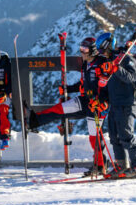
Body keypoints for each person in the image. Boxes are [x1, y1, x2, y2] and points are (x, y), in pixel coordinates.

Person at [28, 37, 110, 175]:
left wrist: (102, 101)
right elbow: (83, 84)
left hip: (98, 105)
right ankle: (33, 120)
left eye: (85, 49)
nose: (81, 52)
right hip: (85, 100)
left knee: (93, 136)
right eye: (81, 48)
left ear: (93, 50)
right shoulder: (85, 65)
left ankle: (100, 165)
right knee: (60, 109)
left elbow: (109, 86)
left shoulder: (102, 63)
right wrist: (69, 89)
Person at [95, 33, 136, 178]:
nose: (100, 52)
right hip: (114, 104)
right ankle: (121, 166)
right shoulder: (108, 62)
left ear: (108, 45)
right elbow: (105, 85)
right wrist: (100, 99)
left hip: (127, 103)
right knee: (114, 136)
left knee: (126, 135)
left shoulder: (127, 59)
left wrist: (116, 68)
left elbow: (131, 78)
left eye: (101, 48)